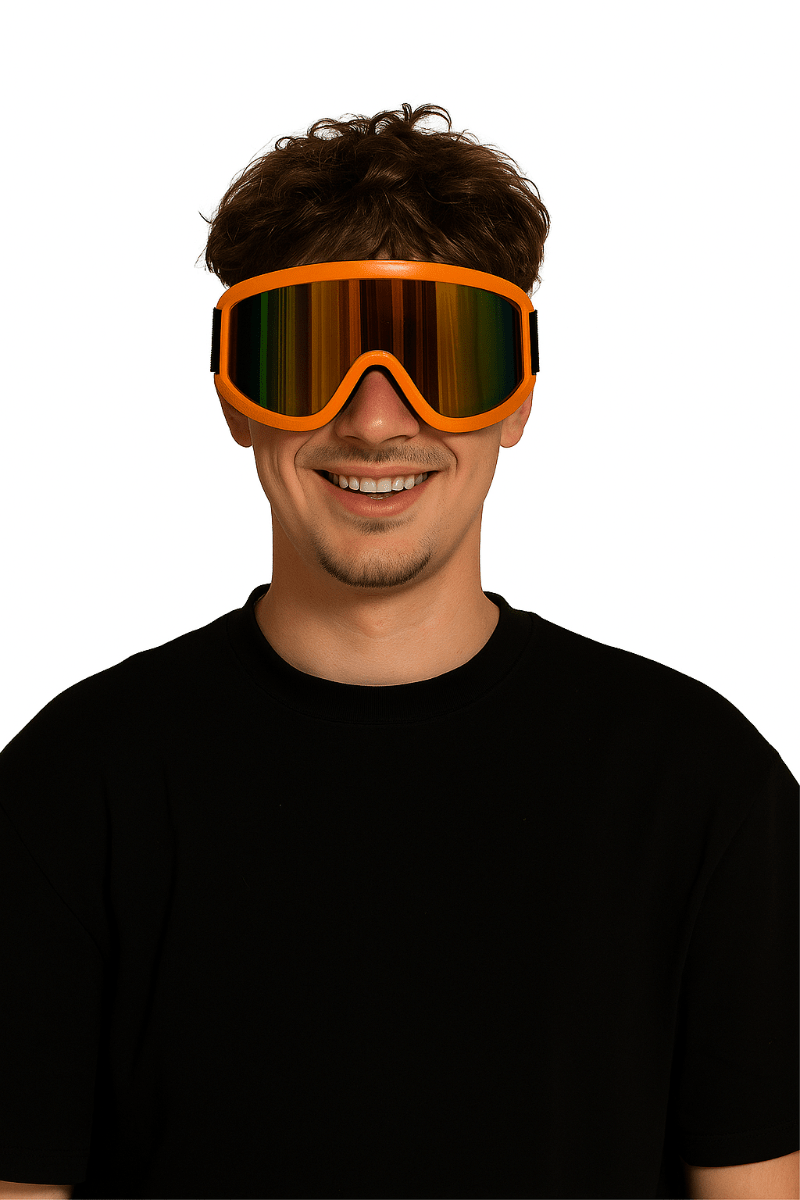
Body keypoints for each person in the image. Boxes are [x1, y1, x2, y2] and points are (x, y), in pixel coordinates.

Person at [0, 103, 797, 1200]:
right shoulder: (71, 785)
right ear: (234, 393)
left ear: (517, 395)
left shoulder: (703, 784)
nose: (375, 420)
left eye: (441, 359)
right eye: (309, 358)